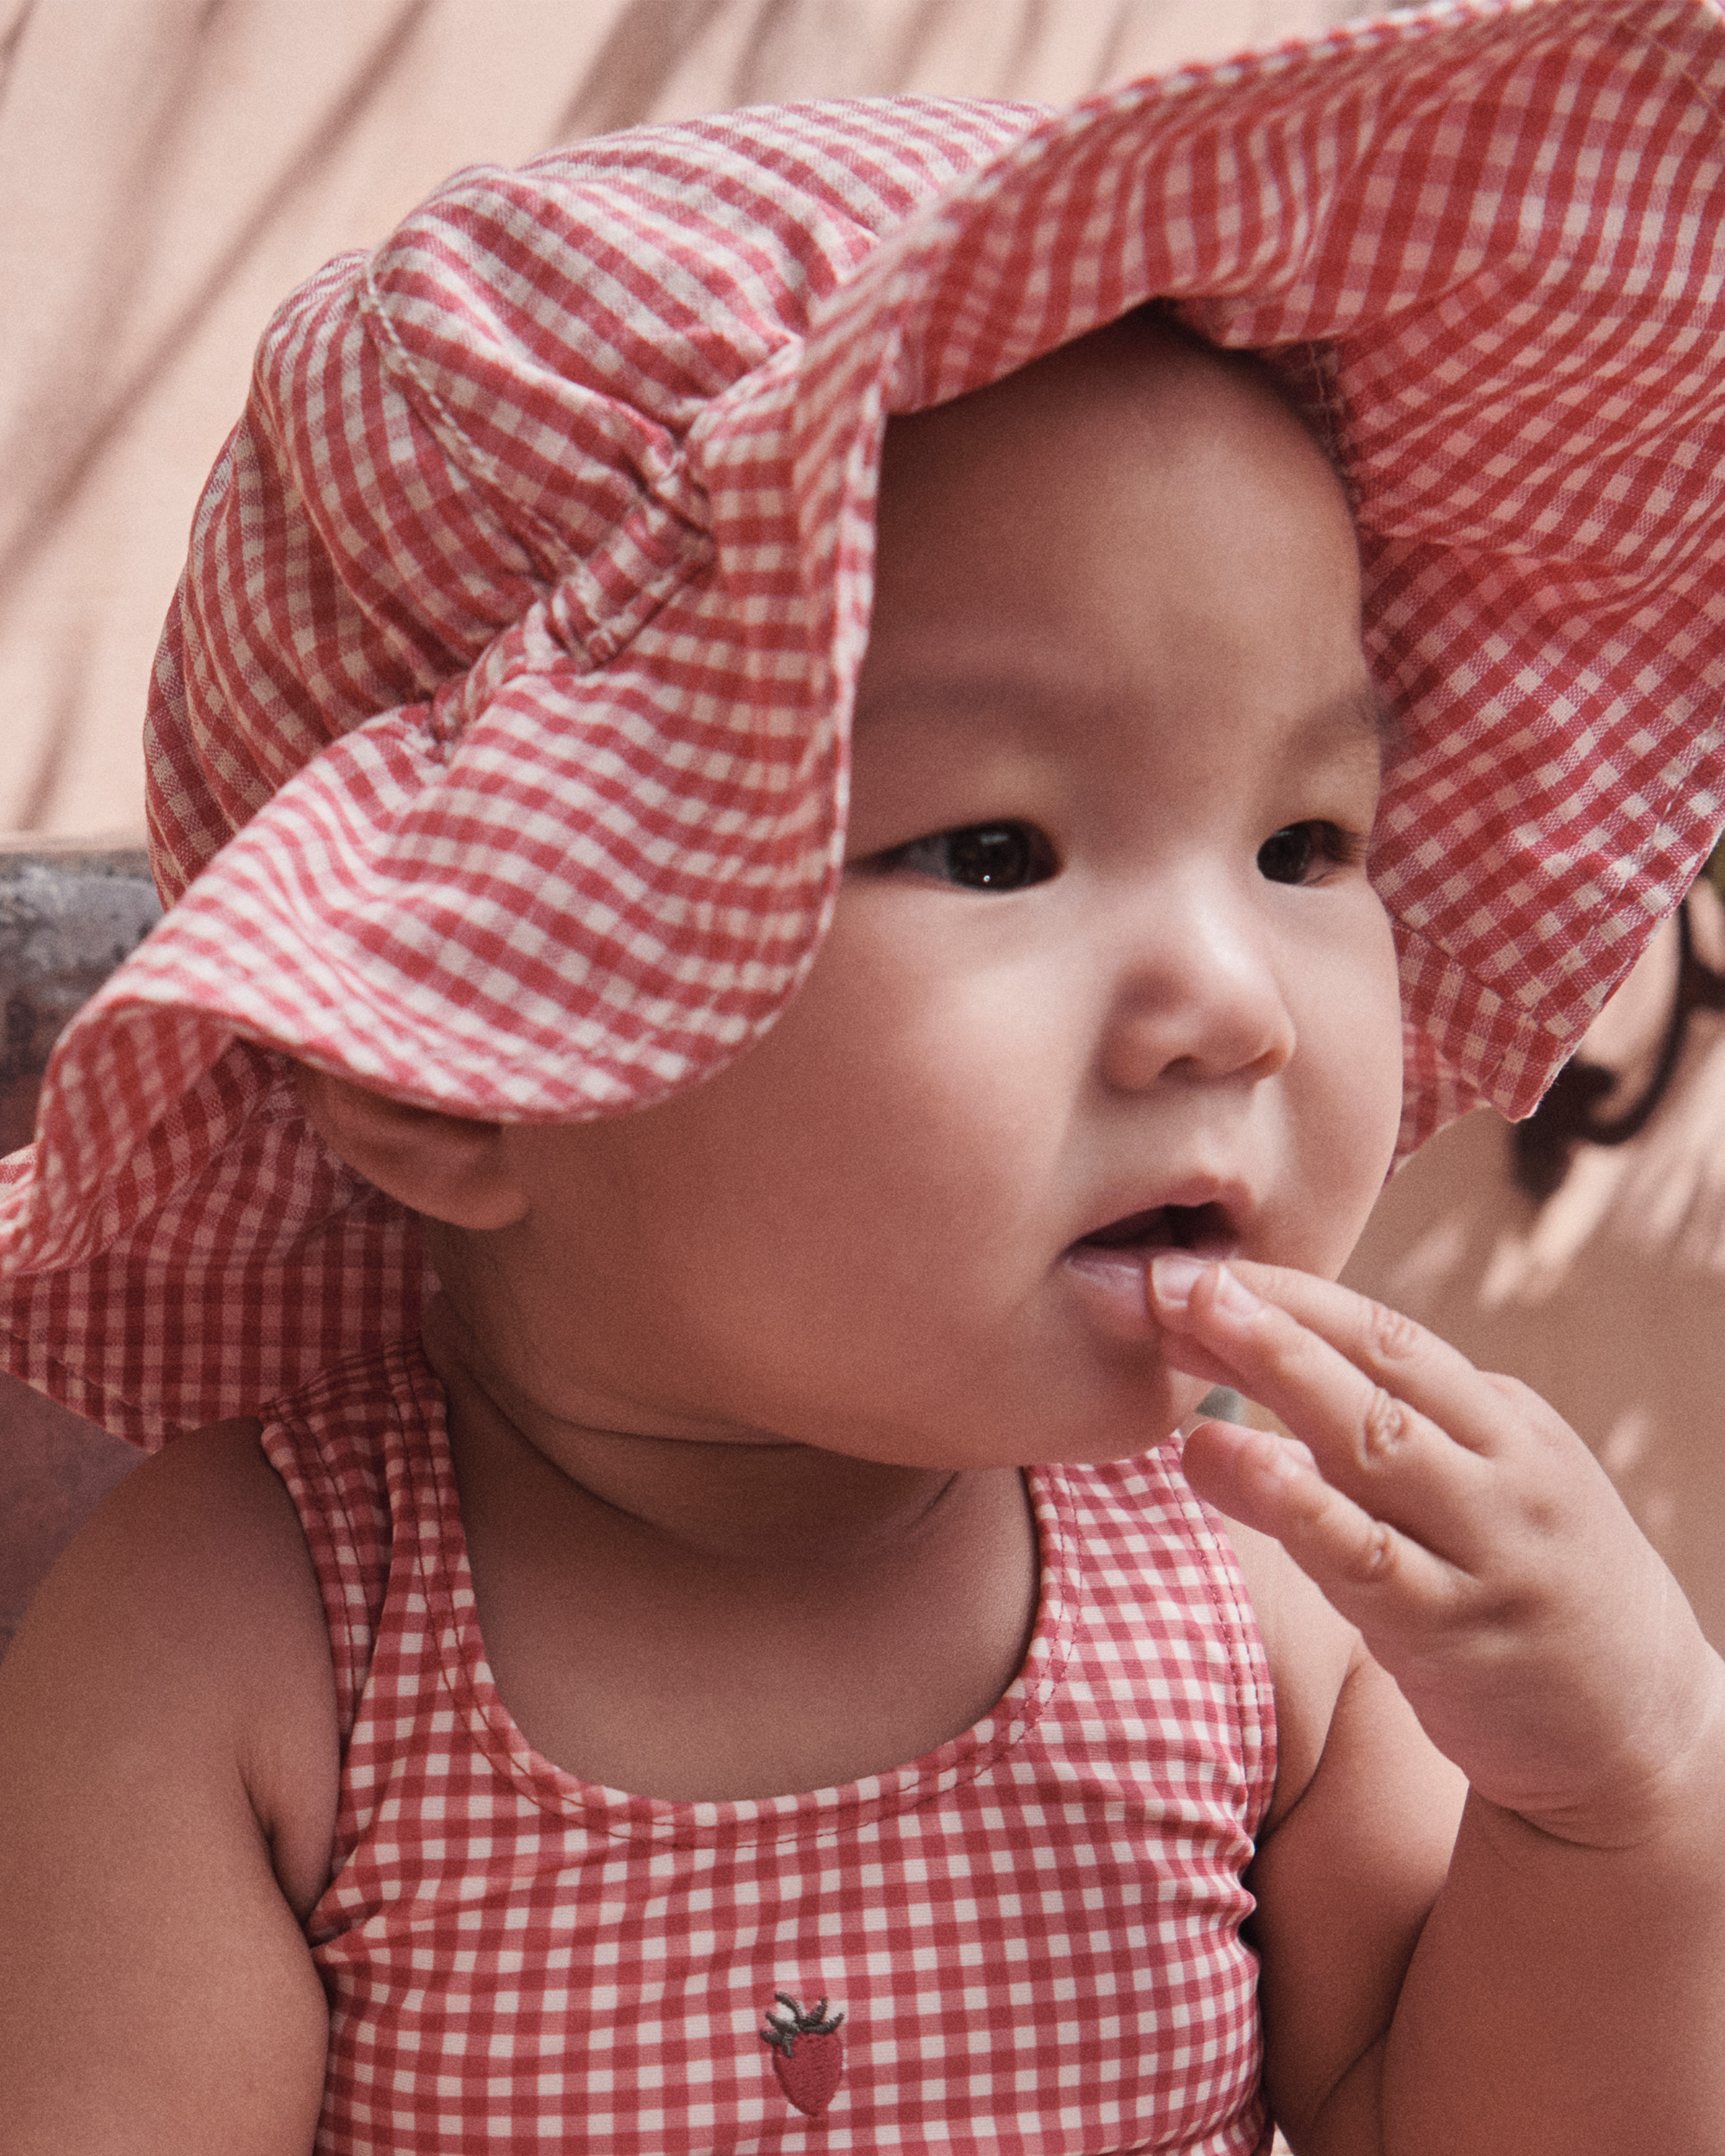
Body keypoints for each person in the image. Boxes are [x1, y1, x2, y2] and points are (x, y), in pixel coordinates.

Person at [2, 3, 1724, 2150]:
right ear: (459, 1057)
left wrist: (1619, 1804)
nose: (1232, 999)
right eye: (994, 847)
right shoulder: (246, 1648)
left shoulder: (1239, 1596)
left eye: (1305, 842)